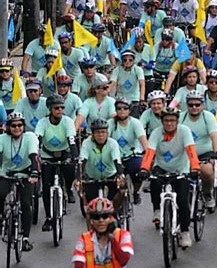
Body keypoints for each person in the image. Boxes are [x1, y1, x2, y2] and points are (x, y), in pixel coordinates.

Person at [139, 106, 199, 249]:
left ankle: (185, 232)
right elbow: (149, 153)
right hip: (161, 168)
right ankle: (157, 210)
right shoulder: (156, 133)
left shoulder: (184, 131)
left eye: (172, 120)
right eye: (166, 121)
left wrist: (195, 167)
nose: (169, 124)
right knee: (154, 182)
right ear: (162, 121)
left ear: (177, 121)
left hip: (181, 170)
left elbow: (191, 151)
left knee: (183, 201)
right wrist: (144, 168)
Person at [36, 94, 78, 231]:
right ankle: (48, 217)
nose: (60, 110)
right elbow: (38, 139)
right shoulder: (42, 122)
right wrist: (36, 155)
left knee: (70, 169)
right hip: (47, 155)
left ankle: (69, 188)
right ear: (50, 109)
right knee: (47, 186)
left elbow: (72, 140)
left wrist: (75, 157)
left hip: (64, 152)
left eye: (62, 107)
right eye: (56, 108)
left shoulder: (67, 121)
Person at [0, 111, 40, 251]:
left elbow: (34, 156)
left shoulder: (30, 137)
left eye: (20, 125)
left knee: (25, 203)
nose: (17, 128)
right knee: (1, 194)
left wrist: (34, 172)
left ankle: (25, 238)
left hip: (26, 173)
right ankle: (2, 219)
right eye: (14, 126)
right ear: (8, 127)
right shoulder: (2, 139)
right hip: (6, 173)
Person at [72, 197, 134, 268]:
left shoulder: (123, 235)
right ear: (91, 221)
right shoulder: (84, 239)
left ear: (111, 218)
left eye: (105, 216)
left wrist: (112, 239)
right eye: (96, 217)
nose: (101, 220)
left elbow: (124, 260)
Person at [179, 91, 217, 210]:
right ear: (186, 105)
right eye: (191, 105)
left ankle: (208, 194)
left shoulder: (208, 117)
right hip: (185, 154)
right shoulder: (181, 117)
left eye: (197, 105)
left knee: (207, 171)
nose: (194, 107)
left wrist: (215, 153)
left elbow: (214, 137)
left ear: (202, 105)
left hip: (204, 153)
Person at [108, 99, 148, 205]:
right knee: (112, 182)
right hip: (115, 157)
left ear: (129, 110)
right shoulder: (111, 123)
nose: (122, 111)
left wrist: (148, 158)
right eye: (119, 108)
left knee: (138, 172)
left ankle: (136, 192)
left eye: (125, 108)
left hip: (132, 155)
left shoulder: (135, 123)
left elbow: (144, 142)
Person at [77, 118, 125, 204]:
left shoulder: (112, 143)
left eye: (103, 132)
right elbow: (82, 161)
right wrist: (78, 178)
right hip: (93, 177)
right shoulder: (86, 143)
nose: (101, 135)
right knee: (91, 204)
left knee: (114, 202)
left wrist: (119, 175)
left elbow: (117, 160)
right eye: (97, 132)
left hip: (110, 175)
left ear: (107, 133)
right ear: (92, 134)